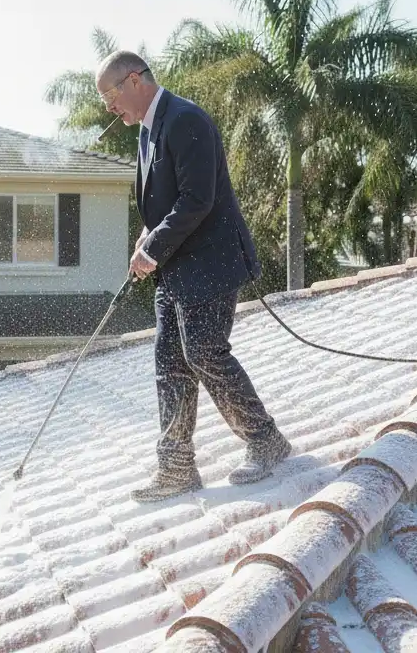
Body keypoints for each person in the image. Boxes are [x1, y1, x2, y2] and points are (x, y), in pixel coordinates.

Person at [95, 50, 292, 503]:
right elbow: (164, 204)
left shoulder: (185, 120)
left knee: (203, 352)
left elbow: (196, 200)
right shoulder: (148, 130)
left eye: (110, 95)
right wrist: (146, 238)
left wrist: (153, 249)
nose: (109, 107)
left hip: (211, 263)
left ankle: (265, 440)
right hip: (175, 270)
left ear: (135, 80)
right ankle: (177, 467)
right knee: (169, 364)